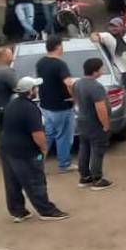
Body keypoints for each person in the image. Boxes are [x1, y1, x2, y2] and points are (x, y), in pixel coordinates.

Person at [0, 76, 69, 222]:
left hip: (6, 149)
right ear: (30, 91)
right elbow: (37, 134)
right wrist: (44, 150)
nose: (37, 90)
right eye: (35, 88)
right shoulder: (31, 109)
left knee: (12, 182)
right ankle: (47, 211)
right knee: (35, 180)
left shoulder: (11, 104)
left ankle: (18, 212)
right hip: (26, 152)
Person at [35, 36, 76, 172]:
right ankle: (64, 164)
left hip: (46, 106)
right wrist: (74, 97)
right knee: (63, 136)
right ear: (58, 47)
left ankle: (38, 162)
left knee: (49, 136)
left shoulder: (41, 62)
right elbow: (68, 83)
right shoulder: (60, 64)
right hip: (61, 107)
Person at [93, 18, 126, 121]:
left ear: (122, 26)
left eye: (116, 26)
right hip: (124, 69)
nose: (113, 28)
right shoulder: (108, 36)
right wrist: (94, 37)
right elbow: (96, 35)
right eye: (111, 26)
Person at [74, 58, 114, 190]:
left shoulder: (78, 83)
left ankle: (84, 177)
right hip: (94, 124)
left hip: (82, 121)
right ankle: (97, 178)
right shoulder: (96, 86)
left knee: (84, 148)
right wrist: (106, 124)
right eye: (101, 68)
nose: (102, 71)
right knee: (98, 150)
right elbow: (100, 108)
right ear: (95, 71)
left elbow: (77, 101)